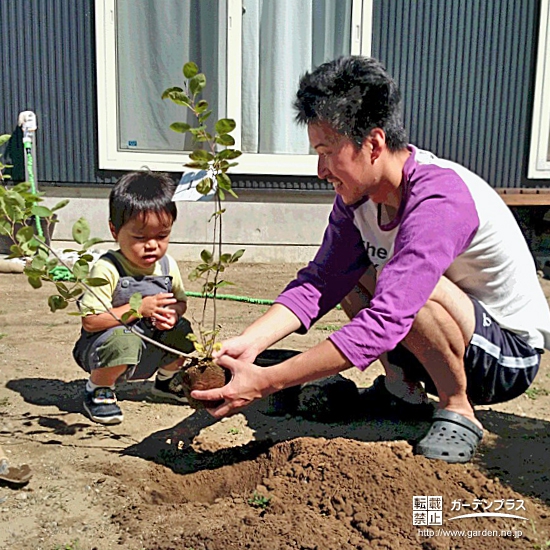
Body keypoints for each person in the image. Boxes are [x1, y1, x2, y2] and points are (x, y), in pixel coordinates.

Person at [191, 56, 550, 463]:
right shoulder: (358, 198)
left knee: (410, 286)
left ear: (373, 144)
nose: (320, 170)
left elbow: (389, 317)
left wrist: (268, 381)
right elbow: (321, 280)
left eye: (327, 152)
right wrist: (250, 344)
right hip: (446, 334)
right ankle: (403, 390)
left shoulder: (439, 199)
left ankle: (457, 407)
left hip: (505, 357)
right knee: (356, 272)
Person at [73, 171, 194, 425]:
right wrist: (138, 308)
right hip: (104, 348)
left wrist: (173, 314)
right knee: (123, 339)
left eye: (162, 236)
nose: (152, 245)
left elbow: (180, 302)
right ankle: (98, 389)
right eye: (140, 237)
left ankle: (166, 381)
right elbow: (91, 322)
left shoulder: (167, 266)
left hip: (148, 343)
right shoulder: (107, 268)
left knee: (183, 331)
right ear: (114, 231)